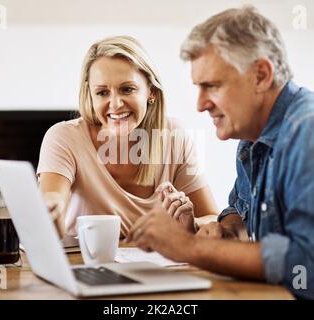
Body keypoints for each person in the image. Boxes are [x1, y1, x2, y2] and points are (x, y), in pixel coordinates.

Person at [126, 6, 314, 299]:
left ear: (260, 75)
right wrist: (223, 232)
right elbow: (240, 217)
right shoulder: (252, 138)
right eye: (198, 87)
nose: (200, 104)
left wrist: (190, 247)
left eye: (212, 86)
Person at [37, 35, 218, 238]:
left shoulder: (175, 137)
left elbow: (211, 217)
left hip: (154, 267)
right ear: (90, 95)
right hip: (86, 266)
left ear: (151, 92)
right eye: (102, 93)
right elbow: (53, 199)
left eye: (127, 89)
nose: (115, 104)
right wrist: (50, 210)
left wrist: (191, 223)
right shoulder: (64, 137)